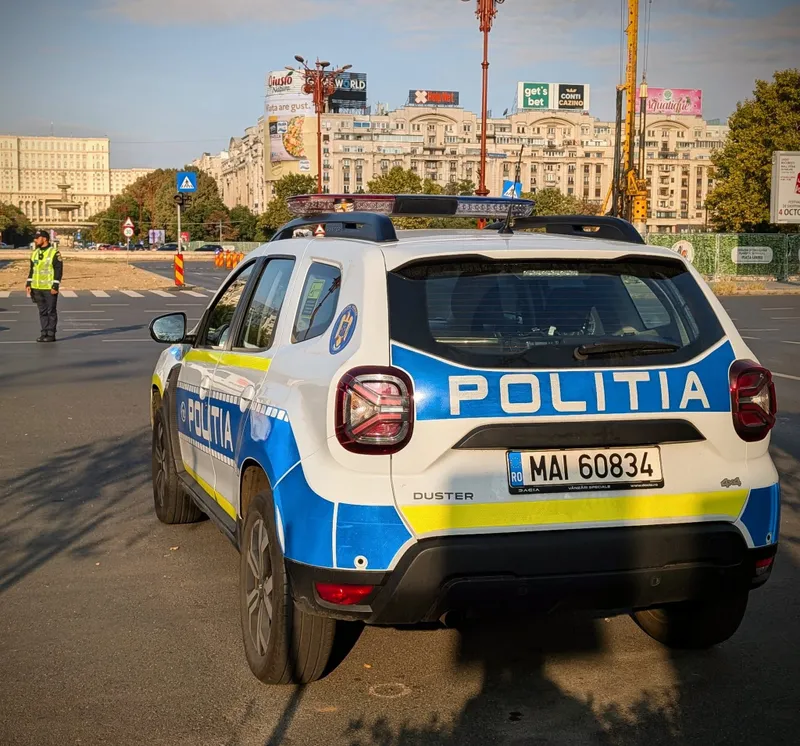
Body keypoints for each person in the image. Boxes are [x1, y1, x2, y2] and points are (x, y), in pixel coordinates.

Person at [25, 230, 63, 343]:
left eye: (37, 238)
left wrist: (55, 286)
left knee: (51, 311)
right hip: (36, 287)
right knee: (42, 311)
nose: (35, 240)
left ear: (44, 239)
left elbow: (58, 270)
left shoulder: (54, 253)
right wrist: (28, 283)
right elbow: (32, 269)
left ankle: (51, 334)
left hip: (49, 288)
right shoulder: (34, 253)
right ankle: (44, 332)